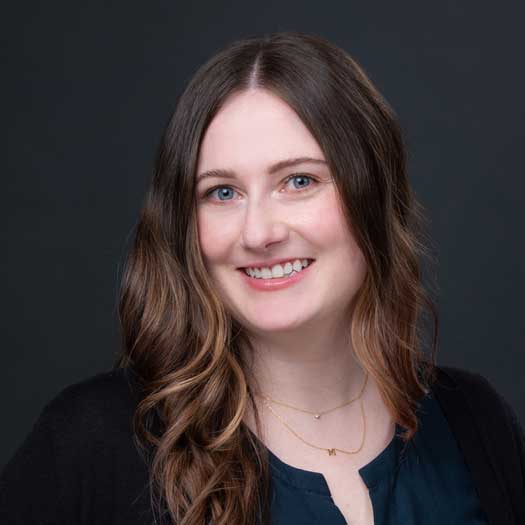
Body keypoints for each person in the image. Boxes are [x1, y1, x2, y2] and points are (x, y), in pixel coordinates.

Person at [1, 31, 523, 525]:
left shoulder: (474, 423)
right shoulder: (91, 443)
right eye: (222, 192)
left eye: (299, 181)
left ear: (374, 194)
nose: (258, 232)